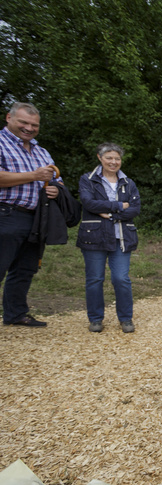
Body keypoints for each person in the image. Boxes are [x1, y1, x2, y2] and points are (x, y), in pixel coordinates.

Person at [0, 102, 62, 327]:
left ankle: (15, 314)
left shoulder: (41, 150)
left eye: (34, 125)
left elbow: (55, 179)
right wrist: (33, 175)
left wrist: (55, 188)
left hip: (35, 217)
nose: (29, 128)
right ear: (9, 118)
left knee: (25, 269)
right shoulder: (1, 143)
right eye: (23, 122)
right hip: (5, 213)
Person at [76, 143, 141, 333]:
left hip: (121, 237)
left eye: (117, 159)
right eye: (109, 158)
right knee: (95, 279)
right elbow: (89, 203)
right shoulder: (87, 180)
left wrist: (110, 214)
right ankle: (95, 319)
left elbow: (136, 209)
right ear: (100, 158)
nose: (114, 162)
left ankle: (126, 318)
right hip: (94, 237)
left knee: (121, 279)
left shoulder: (129, 183)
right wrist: (120, 206)